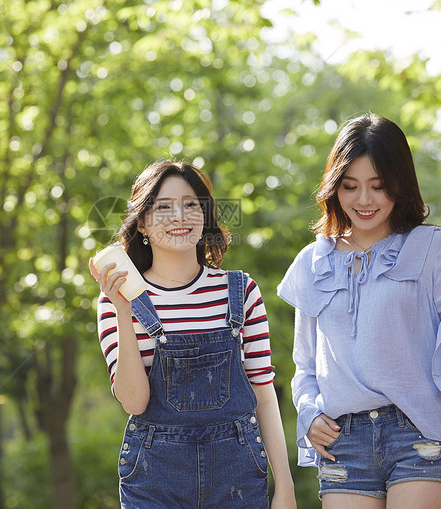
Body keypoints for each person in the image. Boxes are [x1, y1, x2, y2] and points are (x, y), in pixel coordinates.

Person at [277, 113, 441, 508]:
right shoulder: (312, 262)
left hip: (422, 433)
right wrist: (309, 413)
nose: (364, 200)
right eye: (350, 186)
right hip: (344, 441)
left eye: (378, 186)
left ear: (399, 185)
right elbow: (305, 365)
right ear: (334, 188)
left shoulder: (428, 246)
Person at [90, 160, 296, 509]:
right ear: (141, 222)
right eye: (164, 207)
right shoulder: (115, 300)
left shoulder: (240, 290)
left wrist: (285, 488)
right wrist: (124, 312)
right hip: (154, 481)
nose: (179, 217)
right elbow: (134, 402)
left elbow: (262, 391)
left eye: (191, 205)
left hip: (239, 478)